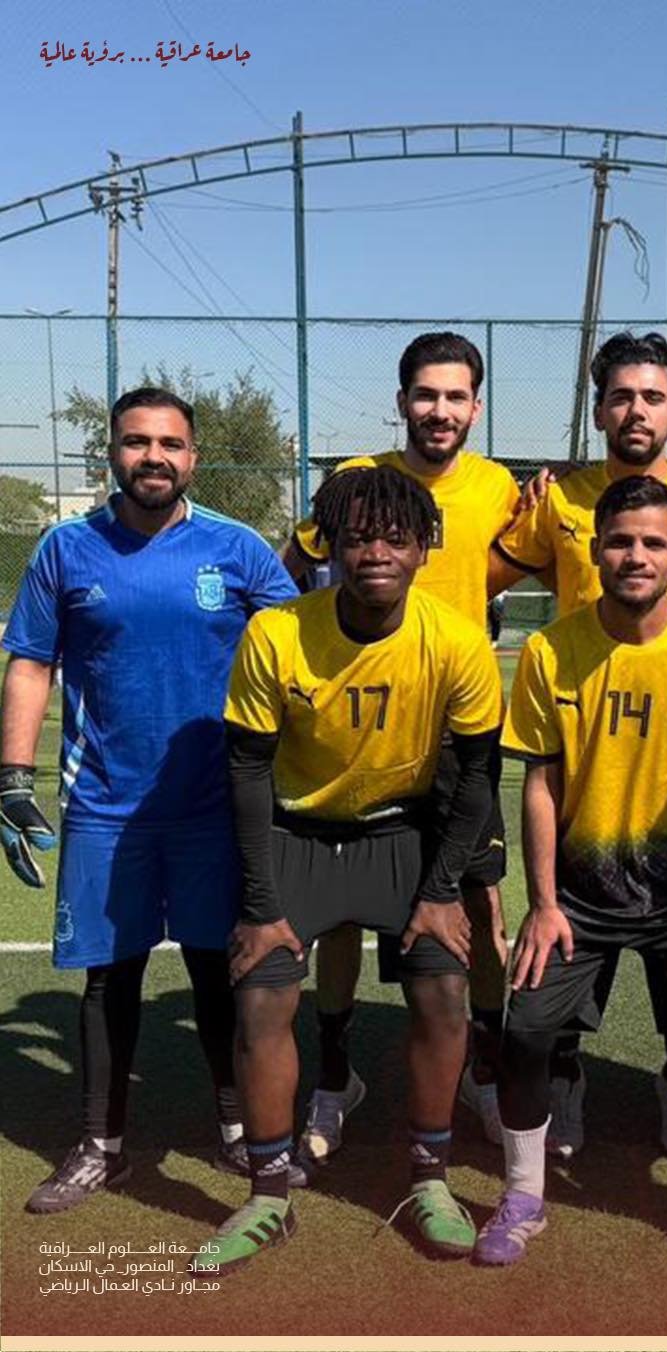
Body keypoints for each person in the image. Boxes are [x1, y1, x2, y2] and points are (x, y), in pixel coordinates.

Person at [189, 465, 503, 1275]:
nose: (376, 553)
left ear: (424, 548)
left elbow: (476, 776)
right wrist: (261, 902)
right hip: (296, 834)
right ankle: (267, 1194)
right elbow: (245, 771)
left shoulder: (456, 640)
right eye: (358, 537)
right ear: (328, 545)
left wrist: (441, 892)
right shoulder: (276, 634)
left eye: (396, 538)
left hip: (400, 835)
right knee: (260, 997)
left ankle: (429, 1179)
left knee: (442, 988)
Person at [1, 386, 297, 1214]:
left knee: (220, 971)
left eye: (170, 443)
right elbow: (31, 662)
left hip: (214, 808)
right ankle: (102, 1147)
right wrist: (13, 777)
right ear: (112, 454)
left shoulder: (238, 550)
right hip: (105, 807)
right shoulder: (66, 549)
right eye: (137, 442)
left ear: (193, 458)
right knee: (110, 977)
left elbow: (297, 659)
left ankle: (239, 1128)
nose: (154, 457)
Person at [476, 475, 667, 1270]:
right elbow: (539, 784)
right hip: (581, 894)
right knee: (525, 1029)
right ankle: (524, 1195)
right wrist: (542, 903)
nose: (634, 556)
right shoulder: (549, 651)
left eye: (651, 543)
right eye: (618, 541)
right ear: (594, 550)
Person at [488, 330, 667, 1160]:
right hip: (582, 741)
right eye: (620, 397)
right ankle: (563, 1083)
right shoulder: (560, 499)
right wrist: (512, 513)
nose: (635, 410)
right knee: (567, 952)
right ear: (599, 410)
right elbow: (482, 574)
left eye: (651, 397)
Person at [282, 333, 520, 1161]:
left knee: (480, 910)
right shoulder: (356, 478)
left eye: (455, 397)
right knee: (340, 919)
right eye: (426, 394)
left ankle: (483, 1071)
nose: (439, 411)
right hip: (357, 733)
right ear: (402, 401)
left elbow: (510, 568)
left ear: (475, 407)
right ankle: (333, 1078)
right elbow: (290, 568)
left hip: (454, 735)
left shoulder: (498, 488)